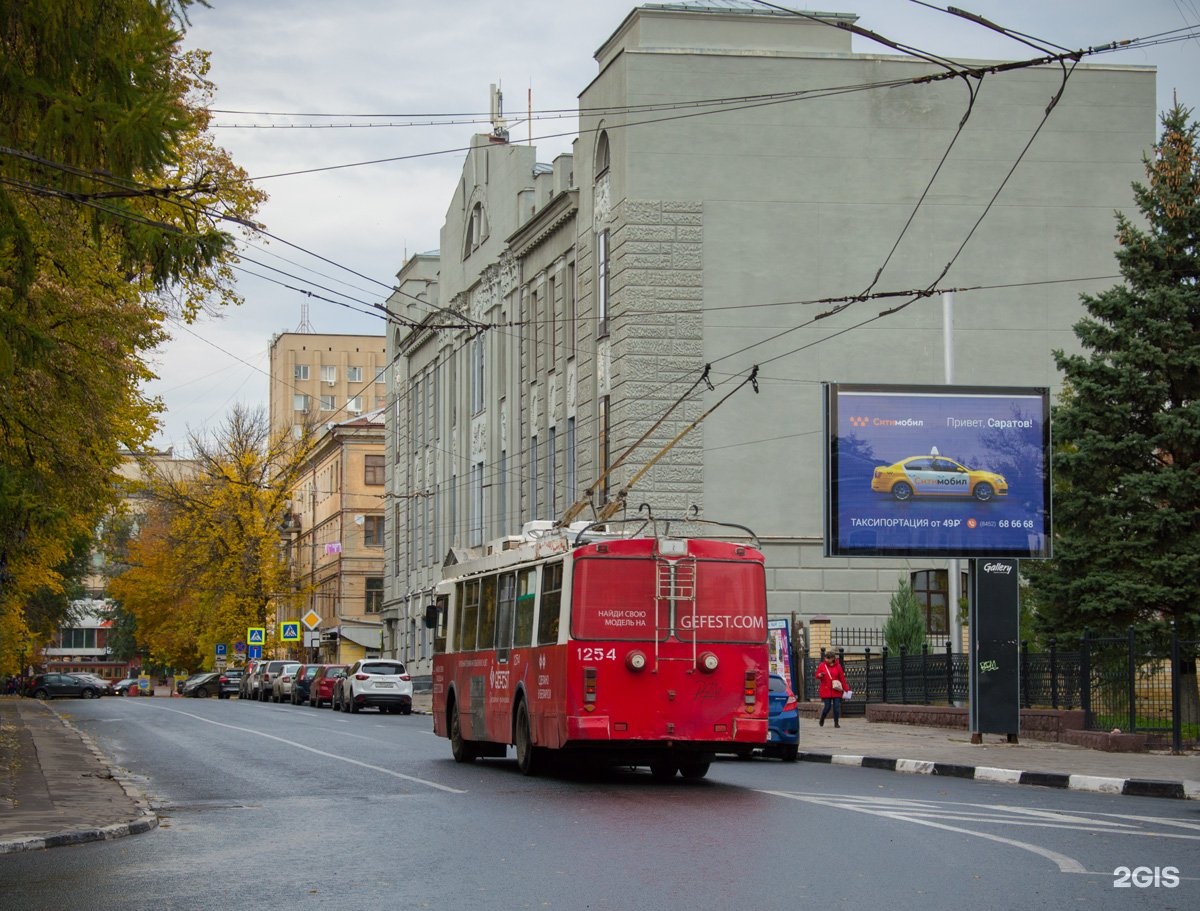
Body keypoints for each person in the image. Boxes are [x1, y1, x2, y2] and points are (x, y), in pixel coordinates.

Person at [814, 650, 849, 728]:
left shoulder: (838, 666)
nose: (826, 660)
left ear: (833, 658)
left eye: (828, 658)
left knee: (836, 707)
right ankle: (822, 718)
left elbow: (842, 678)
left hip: (836, 689)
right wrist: (820, 675)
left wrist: (846, 689)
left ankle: (836, 723)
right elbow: (816, 675)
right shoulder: (822, 665)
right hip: (826, 689)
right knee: (827, 707)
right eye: (826, 658)